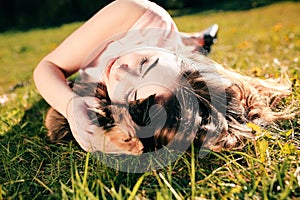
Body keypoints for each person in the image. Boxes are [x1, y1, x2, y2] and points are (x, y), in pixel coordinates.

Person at [34, 0, 294, 154]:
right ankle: (194, 41)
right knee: (164, 34)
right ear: (182, 61)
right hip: (149, 30)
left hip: (165, 49)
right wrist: (67, 103)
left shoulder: (111, 106)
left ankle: (194, 41)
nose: (121, 71)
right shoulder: (134, 11)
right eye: (145, 64)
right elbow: (48, 66)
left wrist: (74, 108)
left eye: (128, 93)